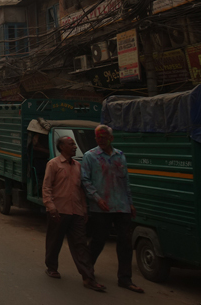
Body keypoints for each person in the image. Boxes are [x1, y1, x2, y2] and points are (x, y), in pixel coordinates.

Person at [81, 125, 144, 294]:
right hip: (101, 207)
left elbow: (126, 181)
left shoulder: (120, 156)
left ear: (111, 138)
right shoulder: (90, 156)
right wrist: (97, 198)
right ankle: (87, 273)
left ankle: (125, 279)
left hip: (121, 206)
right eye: (98, 138)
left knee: (125, 243)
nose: (100, 140)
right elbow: (86, 181)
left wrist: (130, 203)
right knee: (98, 241)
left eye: (103, 137)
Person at [42, 137, 105, 292]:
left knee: (80, 245)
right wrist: (51, 207)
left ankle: (88, 277)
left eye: (75, 144)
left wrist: (84, 209)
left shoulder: (78, 166)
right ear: (62, 147)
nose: (75, 146)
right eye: (71, 144)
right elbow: (47, 187)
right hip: (58, 211)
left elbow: (81, 191)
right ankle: (51, 267)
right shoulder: (53, 164)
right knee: (54, 241)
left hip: (76, 211)